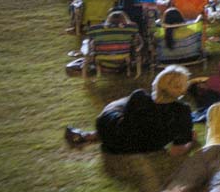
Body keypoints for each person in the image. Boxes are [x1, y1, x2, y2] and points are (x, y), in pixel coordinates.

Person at [64, 66, 194, 154]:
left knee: (123, 107)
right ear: (182, 89)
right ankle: (89, 136)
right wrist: (191, 140)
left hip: (113, 142)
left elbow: (129, 124)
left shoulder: (139, 97)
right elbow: (176, 151)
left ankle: (89, 136)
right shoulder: (183, 111)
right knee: (137, 121)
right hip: (148, 147)